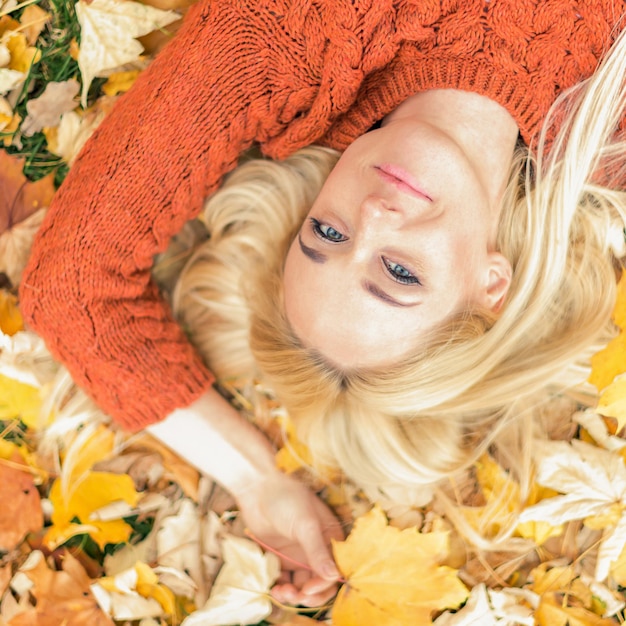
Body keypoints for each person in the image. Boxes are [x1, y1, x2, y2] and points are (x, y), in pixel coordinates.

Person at [19, 0, 626, 607]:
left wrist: (254, 479)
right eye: (398, 272)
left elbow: (70, 286)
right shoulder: (609, 131)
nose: (370, 216)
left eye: (328, 235)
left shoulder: (282, 45)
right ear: (492, 285)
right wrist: (259, 479)